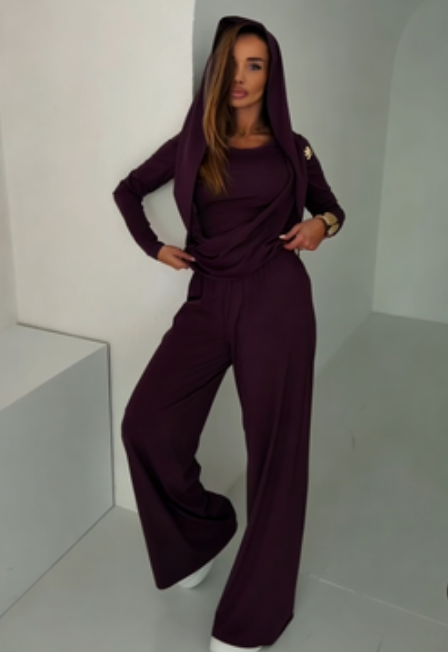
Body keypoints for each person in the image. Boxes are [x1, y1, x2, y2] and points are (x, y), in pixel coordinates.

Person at [112, 14, 345, 652]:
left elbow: (332, 207)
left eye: (255, 64)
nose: (241, 77)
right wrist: (154, 247)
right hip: (210, 297)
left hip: (277, 299)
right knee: (146, 424)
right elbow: (128, 191)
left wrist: (321, 225)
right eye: (232, 63)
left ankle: (256, 615)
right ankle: (201, 535)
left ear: (271, 75)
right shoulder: (195, 142)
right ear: (216, 70)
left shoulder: (294, 147)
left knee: (275, 455)